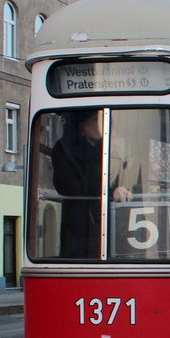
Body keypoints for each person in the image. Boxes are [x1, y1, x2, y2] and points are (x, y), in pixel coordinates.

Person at [50, 111, 136, 258]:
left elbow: (125, 182)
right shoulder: (65, 148)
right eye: (97, 119)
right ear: (82, 125)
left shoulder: (115, 152)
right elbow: (72, 187)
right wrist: (111, 193)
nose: (106, 125)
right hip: (81, 222)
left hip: (111, 222)